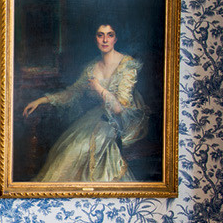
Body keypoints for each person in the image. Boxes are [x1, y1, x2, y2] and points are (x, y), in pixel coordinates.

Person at [22, 24, 148, 183]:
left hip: (125, 119)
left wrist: (99, 88)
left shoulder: (127, 64)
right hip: (101, 115)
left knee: (83, 146)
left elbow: (119, 108)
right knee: (70, 148)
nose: (105, 40)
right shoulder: (92, 68)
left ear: (115, 39)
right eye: (100, 35)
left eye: (110, 35)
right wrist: (42, 100)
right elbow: (73, 92)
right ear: (95, 39)